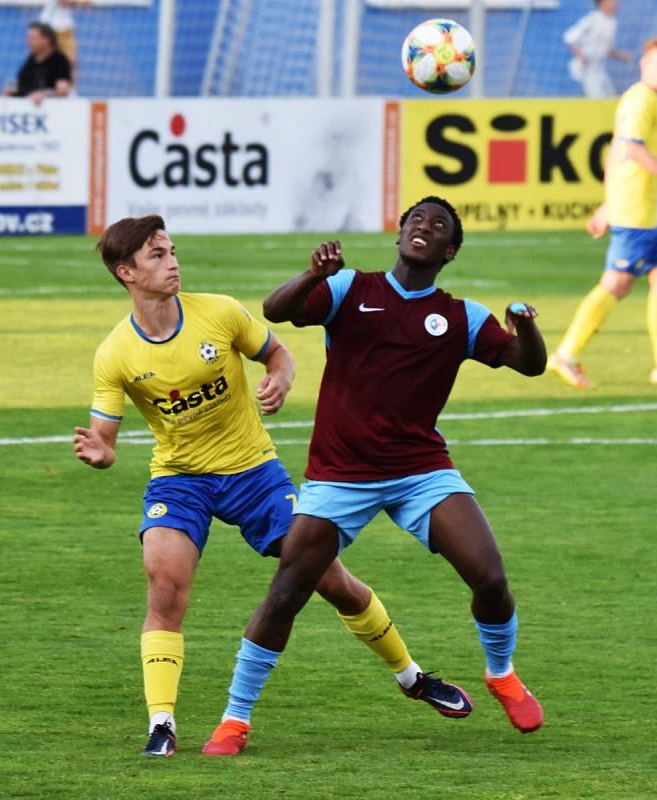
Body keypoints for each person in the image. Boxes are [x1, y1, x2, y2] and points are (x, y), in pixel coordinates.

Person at [74, 215, 472, 758]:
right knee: (163, 588)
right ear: (127, 273)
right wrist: (101, 452)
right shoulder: (116, 353)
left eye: (171, 251)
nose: (172, 262)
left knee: (330, 580)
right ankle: (161, 725)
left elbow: (277, 352)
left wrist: (280, 377)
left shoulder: (218, 312)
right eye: (157, 256)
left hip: (254, 473)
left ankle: (413, 678)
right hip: (180, 479)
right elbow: (105, 437)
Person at [215, 196, 547, 756]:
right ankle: (234, 719)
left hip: (421, 472)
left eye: (439, 225)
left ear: (451, 250)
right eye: (417, 219)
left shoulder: (462, 316)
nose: (425, 227)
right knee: (287, 593)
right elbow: (276, 311)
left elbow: (529, 363)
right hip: (339, 476)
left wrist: (526, 327)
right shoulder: (349, 289)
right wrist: (311, 275)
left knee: (489, 577)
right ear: (399, 234)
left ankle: (502, 673)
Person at [548, 36, 657, 387]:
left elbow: (616, 153)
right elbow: (632, 149)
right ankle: (565, 354)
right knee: (617, 284)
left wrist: (607, 203)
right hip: (635, 214)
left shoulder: (645, 99)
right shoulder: (642, 100)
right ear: (644, 65)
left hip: (642, 212)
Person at [563, 0, 631, 98]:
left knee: (610, 95)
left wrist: (621, 56)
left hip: (600, 67)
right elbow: (570, 38)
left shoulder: (612, 22)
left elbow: (605, 49)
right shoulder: (592, 19)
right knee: (595, 96)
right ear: (601, 4)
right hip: (587, 66)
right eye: (610, 2)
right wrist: (581, 56)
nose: (614, 4)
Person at [5, 22, 72, 103]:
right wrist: (12, 92)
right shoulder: (30, 61)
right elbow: (20, 86)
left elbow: (63, 89)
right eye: (28, 38)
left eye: (32, 38)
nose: (28, 42)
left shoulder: (59, 60)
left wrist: (46, 95)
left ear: (46, 40)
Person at [40, 0, 90, 81]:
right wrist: (79, 2)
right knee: (49, 62)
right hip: (50, 27)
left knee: (71, 62)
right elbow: (63, 2)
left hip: (65, 27)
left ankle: (71, 91)